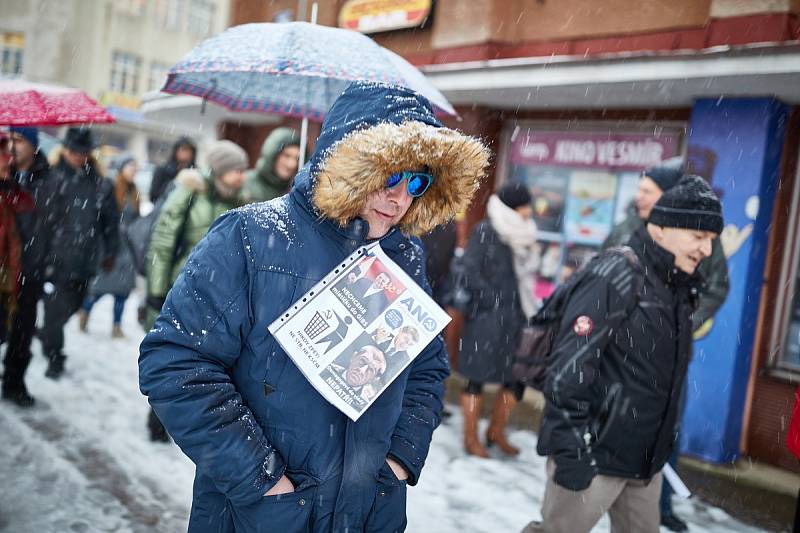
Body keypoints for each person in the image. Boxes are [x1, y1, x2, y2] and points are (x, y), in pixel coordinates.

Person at [138, 81, 488, 532]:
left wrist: (398, 461)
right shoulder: (249, 236)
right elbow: (175, 362)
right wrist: (264, 482)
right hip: (259, 516)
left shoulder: (403, 256)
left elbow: (426, 369)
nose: (400, 197)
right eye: (389, 175)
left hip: (368, 513)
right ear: (348, 166)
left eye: (416, 181)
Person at [523, 176, 723, 533]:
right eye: (699, 237)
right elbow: (569, 367)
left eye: (711, 240)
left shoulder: (676, 284)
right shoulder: (615, 273)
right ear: (661, 229)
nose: (706, 250)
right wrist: (571, 448)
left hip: (645, 462)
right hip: (594, 454)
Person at [601, 160, 729, 533]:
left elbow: (716, 286)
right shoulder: (625, 229)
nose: (639, 196)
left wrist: (680, 321)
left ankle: (661, 503)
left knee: (664, 426)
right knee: (610, 421)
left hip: (667, 354)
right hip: (617, 353)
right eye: (639, 189)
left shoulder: (700, 238)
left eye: (648, 191)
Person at [143, 139, 248, 442]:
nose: (241, 176)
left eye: (243, 170)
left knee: (202, 364)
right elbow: (163, 240)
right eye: (235, 170)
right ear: (219, 170)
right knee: (174, 359)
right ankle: (158, 420)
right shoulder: (190, 191)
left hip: (219, 297)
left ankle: (179, 421)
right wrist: (157, 288)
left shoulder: (240, 200)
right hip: (182, 289)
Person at [457, 182, 539, 458]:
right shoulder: (486, 230)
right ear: (514, 208)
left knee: (516, 378)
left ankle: (496, 431)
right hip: (487, 319)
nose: (530, 211)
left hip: (518, 319)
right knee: (476, 378)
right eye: (525, 205)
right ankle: (470, 437)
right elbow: (469, 272)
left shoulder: (525, 234)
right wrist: (492, 301)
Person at [40, 127, 119, 380]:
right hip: (54, 258)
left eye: (83, 152)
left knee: (72, 306)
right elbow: (41, 220)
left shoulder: (100, 183)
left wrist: (111, 252)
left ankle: (46, 335)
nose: (78, 156)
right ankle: (54, 356)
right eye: (74, 151)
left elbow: (110, 222)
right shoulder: (50, 177)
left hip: (86, 258)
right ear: (65, 149)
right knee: (55, 311)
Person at [1, 127, 50, 407]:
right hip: (4, 263)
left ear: (33, 146)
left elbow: (52, 223)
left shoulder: (46, 179)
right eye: (11, 141)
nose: (14, 146)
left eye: (20, 141)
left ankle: (13, 382)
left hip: (30, 268)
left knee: (22, 331)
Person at [78, 155, 140, 338]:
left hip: (127, 246)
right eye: (130, 167)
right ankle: (85, 311)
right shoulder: (111, 187)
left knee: (123, 289)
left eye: (135, 168)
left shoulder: (134, 190)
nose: (134, 171)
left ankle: (116, 326)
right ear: (121, 169)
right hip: (110, 244)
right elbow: (103, 217)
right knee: (100, 287)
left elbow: (134, 219)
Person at [241, 127, 301, 203]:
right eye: (286, 155)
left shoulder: (295, 192)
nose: (292, 164)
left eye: (297, 158)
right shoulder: (243, 182)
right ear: (272, 154)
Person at [149, 136, 196, 203]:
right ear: (176, 151)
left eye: (189, 151)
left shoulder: (195, 172)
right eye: (183, 149)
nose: (186, 154)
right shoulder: (163, 170)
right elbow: (154, 195)